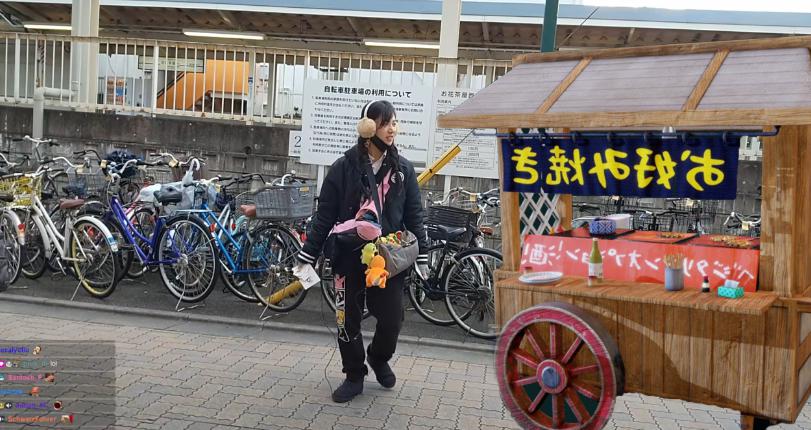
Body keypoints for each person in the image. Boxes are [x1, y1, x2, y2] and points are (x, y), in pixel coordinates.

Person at [296, 100, 428, 403]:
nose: (392, 129)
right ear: (368, 128)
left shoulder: (404, 170)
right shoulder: (344, 167)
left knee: (392, 319)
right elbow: (324, 215)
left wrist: (421, 254)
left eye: (394, 122)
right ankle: (354, 373)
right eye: (385, 123)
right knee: (346, 318)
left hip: (387, 260)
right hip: (346, 254)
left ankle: (379, 357)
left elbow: (414, 214)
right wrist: (308, 254)